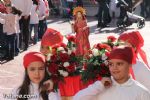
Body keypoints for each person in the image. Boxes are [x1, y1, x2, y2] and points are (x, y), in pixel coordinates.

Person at [73, 46, 150, 100]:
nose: (114, 68)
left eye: (119, 64)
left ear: (129, 65)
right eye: (111, 64)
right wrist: (98, 86)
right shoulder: (102, 87)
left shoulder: (141, 92)